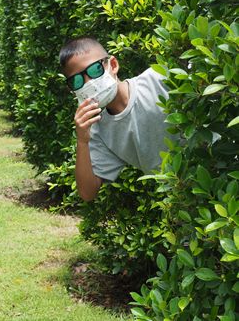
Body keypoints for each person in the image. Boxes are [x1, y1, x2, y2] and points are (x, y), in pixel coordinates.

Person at [59, 36, 175, 201]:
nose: (89, 82)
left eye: (94, 70)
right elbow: (87, 193)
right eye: (77, 80)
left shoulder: (158, 78)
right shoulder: (98, 131)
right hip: (183, 202)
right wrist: (82, 141)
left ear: (112, 65)